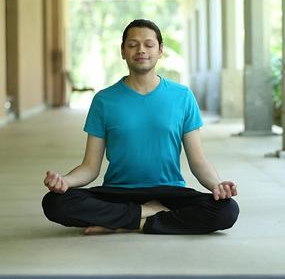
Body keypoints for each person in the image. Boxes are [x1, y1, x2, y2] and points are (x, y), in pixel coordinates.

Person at [42, 19, 239, 235]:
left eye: (148, 44)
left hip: (169, 193)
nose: (141, 50)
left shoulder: (182, 96)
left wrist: (217, 186)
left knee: (226, 210)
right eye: (133, 44)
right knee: (54, 203)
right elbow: (90, 167)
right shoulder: (104, 100)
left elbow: (198, 160)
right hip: (117, 193)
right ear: (123, 51)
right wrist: (64, 181)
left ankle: (124, 223)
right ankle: (149, 212)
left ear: (160, 50)